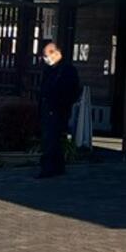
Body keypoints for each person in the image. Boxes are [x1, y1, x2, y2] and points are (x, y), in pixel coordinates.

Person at [36, 40, 82, 178]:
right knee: (50, 138)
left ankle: (49, 168)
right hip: (47, 108)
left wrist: (63, 104)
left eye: (50, 53)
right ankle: (57, 166)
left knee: (52, 139)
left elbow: (74, 90)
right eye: (46, 54)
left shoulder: (67, 70)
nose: (48, 57)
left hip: (59, 109)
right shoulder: (48, 70)